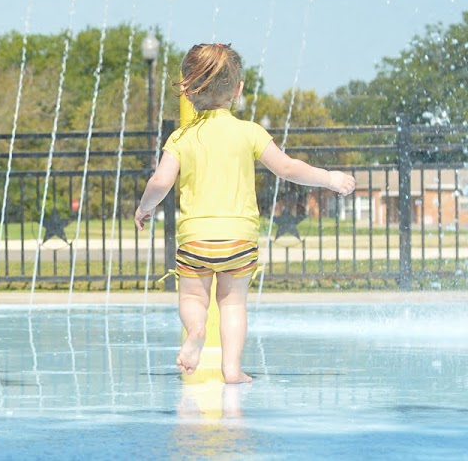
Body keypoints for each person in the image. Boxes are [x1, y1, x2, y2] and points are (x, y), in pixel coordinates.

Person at [133, 43, 355, 384]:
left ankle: (195, 330)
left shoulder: (180, 137)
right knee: (233, 304)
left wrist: (144, 208)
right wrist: (330, 178)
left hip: (196, 240)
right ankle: (232, 370)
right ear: (238, 90)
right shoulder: (249, 131)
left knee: (194, 296)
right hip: (239, 239)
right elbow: (286, 167)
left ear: (189, 92)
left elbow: (161, 181)